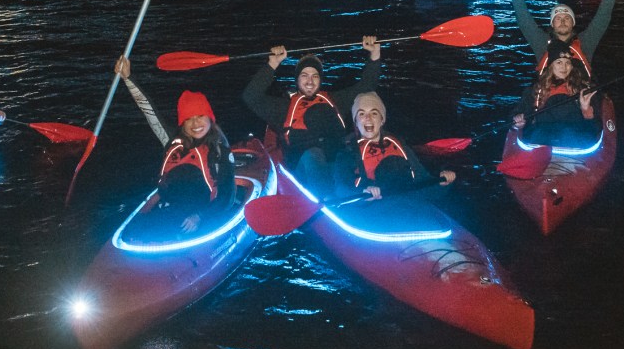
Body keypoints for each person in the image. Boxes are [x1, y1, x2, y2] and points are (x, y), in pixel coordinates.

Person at [242, 36, 381, 196]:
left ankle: (354, 196)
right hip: (304, 167)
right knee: (313, 155)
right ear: (297, 80)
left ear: (320, 80)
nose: (310, 81)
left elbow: (367, 85)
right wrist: (273, 64)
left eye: (315, 76)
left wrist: (374, 54)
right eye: (304, 75)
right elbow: (250, 97)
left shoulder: (334, 100)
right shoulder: (283, 107)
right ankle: (326, 202)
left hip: (335, 162)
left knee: (347, 156)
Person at [115, 56, 235, 233]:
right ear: (182, 123)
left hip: (205, 213)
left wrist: (199, 216)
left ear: (210, 117)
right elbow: (149, 111)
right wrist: (128, 78)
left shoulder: (219, 149)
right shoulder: (173, 141)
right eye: (189, 119)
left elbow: (227, 197)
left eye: (200, 116)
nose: (196, 124)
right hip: (172, 209)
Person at [334, 91, 456, 200]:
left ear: (382, 120)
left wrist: (441, 183)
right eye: (361, 114)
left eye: (374, 113)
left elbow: (423, 181)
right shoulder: (347, 151)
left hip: (404, 203)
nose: (368, 118)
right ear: (356, 121)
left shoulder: (399, 145)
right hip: (370, 209)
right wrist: (363, 192)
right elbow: (341, 189)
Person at [510, 0, 618, 78]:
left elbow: (603, 17)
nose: (562, 21)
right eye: (558, 18)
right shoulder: (541, 42)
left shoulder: (586, 42)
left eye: (567, 18)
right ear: (552, 24)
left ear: (573, 23)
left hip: (579, 94)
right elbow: (523, 17)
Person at [511, 39, 601, 147]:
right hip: (543, 142)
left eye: (567, 63)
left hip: (574, 143)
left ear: (572, 66)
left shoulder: (584, 89)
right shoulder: (535, 90)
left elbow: (596, 128)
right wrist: (518, 122)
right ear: (551, 66)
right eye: (559, 62)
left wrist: (586, 110)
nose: (564, 67)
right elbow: (517, 114)